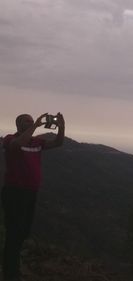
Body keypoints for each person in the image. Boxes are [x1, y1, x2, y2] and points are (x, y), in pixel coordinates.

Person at [1, 113, 65, 281]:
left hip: (31, 193)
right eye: (25, 121)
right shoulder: (9, 139)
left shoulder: (37, 142)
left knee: (23, 232)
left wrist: (62, 126)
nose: (29, 123)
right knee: (14, 233)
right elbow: (17, 145)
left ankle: (13, 266)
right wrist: (35, 125)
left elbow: (58, 143)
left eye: (30, 121)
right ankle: (10, 274)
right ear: (18, 125)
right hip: (14, 193)